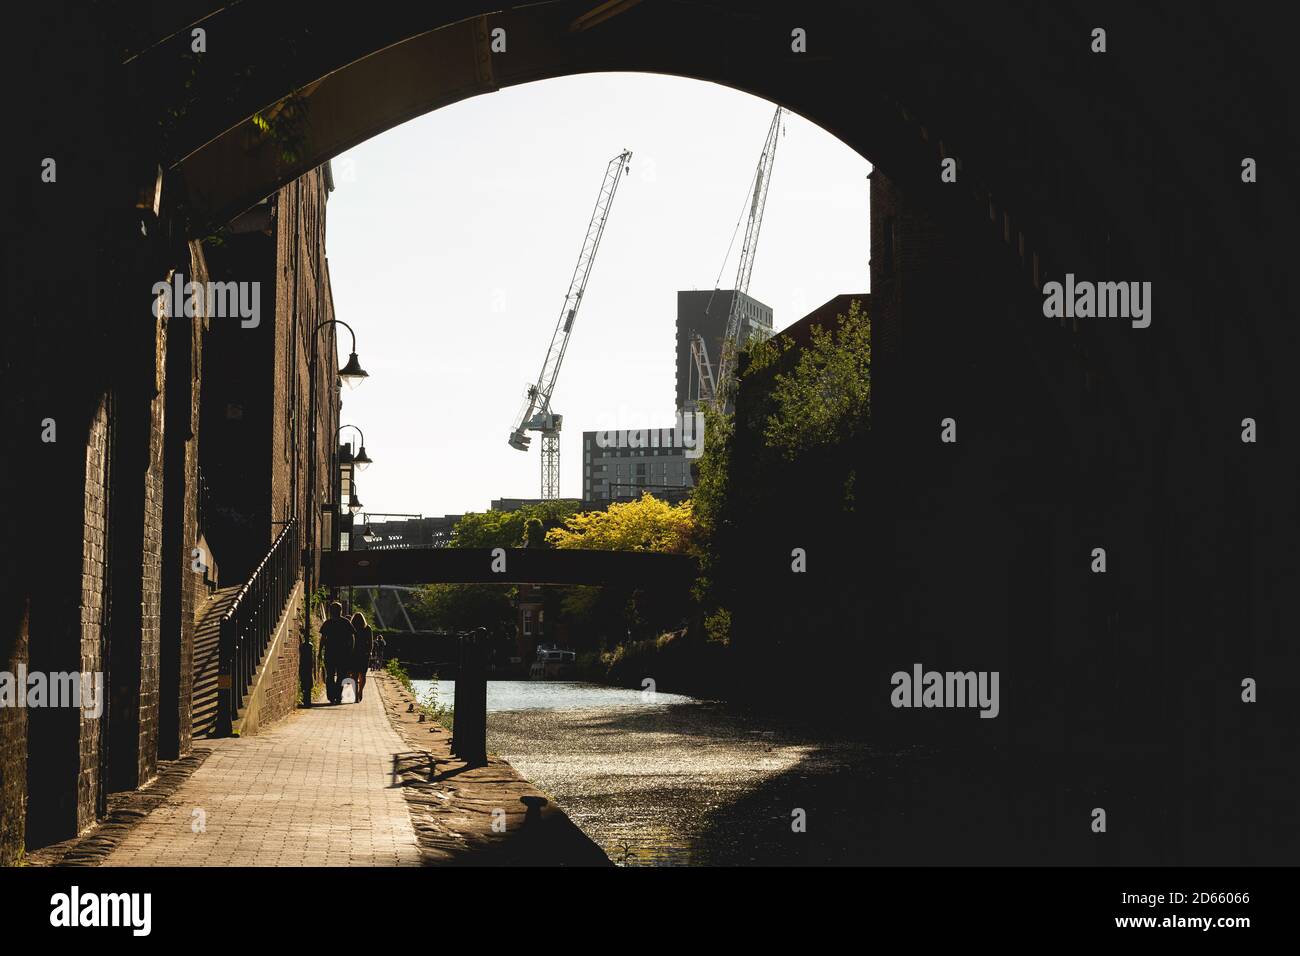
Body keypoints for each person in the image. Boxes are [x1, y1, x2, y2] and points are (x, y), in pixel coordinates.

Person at [318, 601, 355, 705]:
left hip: (330, 653)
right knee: (340, 676)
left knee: (330, 676)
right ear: (341, 611)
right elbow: (352, 637)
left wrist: (320, 652)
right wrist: (350, 650)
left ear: (331, 611)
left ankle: (331, 696)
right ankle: (338, 696)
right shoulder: (346, 622)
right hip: (343, 654)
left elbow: (323, 639)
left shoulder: (327, 623)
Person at [350, 611, 373, 703]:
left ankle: (355, 694)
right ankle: (360, 691)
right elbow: (371, 642)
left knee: (354, 676)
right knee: (362, 674)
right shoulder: (367, 628)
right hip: (364, 654)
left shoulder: (352, 628)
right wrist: (369, 652)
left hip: (353, 654)